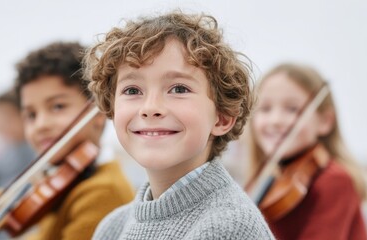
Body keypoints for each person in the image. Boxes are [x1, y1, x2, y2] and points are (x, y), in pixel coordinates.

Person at [83, 11, 275, 239]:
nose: (150, 107)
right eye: (132, 90)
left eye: (179, 89)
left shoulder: (227, 227)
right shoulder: (113, 227)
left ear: (222, 117)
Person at [0, 42, 135, 240]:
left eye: (57, 106)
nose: (41, 124)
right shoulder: (63, 175)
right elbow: (26, 199)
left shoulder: (102, 192)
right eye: (31, 115)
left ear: (98, 112)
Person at [246, 63, 367, 239]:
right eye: (265, 109)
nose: (275, 120)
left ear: (325, 121)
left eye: (292, 109)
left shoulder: (334, 181)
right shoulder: (270, 175)